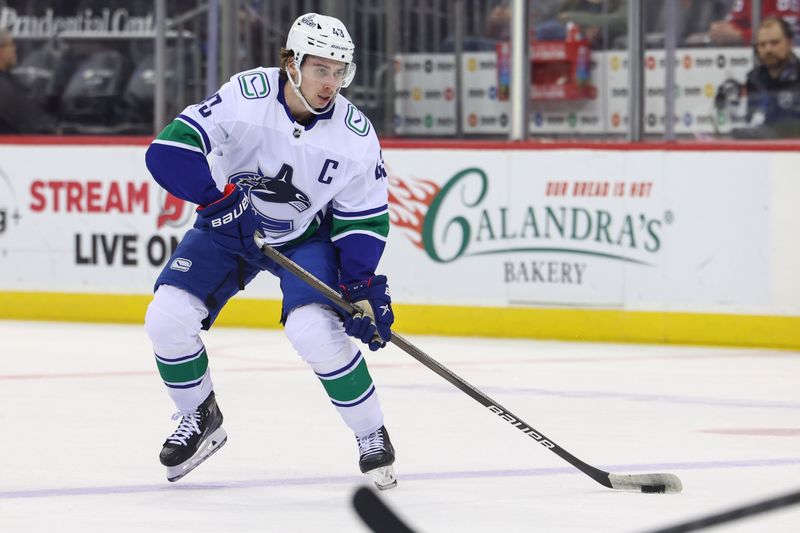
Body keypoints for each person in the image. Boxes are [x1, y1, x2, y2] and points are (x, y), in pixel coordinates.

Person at [143, 13, 397, 490]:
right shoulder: (246, 95)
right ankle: (200, 415)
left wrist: (360, 283)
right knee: (167, 317)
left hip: (303, 238)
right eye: (321, 69)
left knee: (314, 331)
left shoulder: (355, 135)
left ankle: (371, 433)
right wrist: (217, 202)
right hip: (229, 225)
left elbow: (363, 217)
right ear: (291, 63)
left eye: (340, 71)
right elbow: (169, 150)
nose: (332, 83)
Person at [734, 16, 800, 137]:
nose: (768, 49)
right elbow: (749, 121)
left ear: (789, 43)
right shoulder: (753, 80)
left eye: (774, 43)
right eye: (762, 45)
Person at [0, 29, 57, 134]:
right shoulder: (4, 87)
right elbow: (30, 121)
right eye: (10, 45)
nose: (14, 49)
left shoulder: (9, 79)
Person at [709, 0, 800, 46]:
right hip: (753, 45)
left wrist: (743, 36)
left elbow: (789, 30)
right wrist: (721, 30)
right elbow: (737, 19)